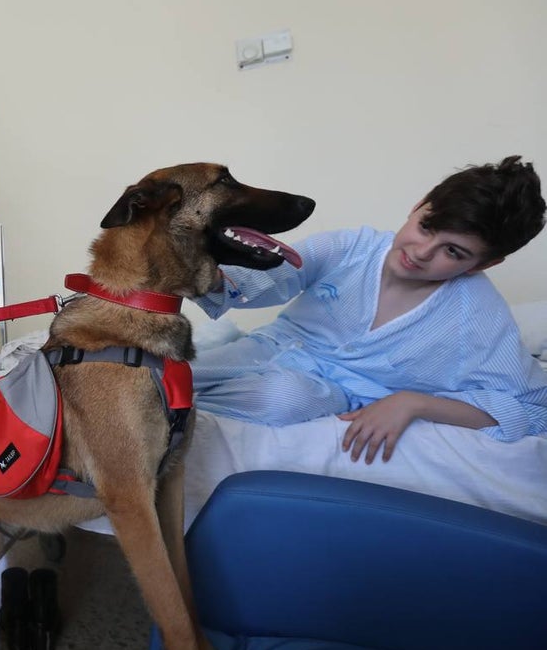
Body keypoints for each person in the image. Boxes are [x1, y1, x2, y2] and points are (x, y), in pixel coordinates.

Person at [191, 156, 547, 464]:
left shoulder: (479, 317)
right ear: (419, 205)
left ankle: (179, 414)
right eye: (426, 228)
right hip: (265, 349)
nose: (422, 252)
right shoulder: (351, 248)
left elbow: (533, 408)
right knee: (162, 377)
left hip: (324, 391)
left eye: (453, 252)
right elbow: (266, 278)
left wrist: (414, 403)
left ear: (483, 264)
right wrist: (193, 270)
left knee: (284, 398)